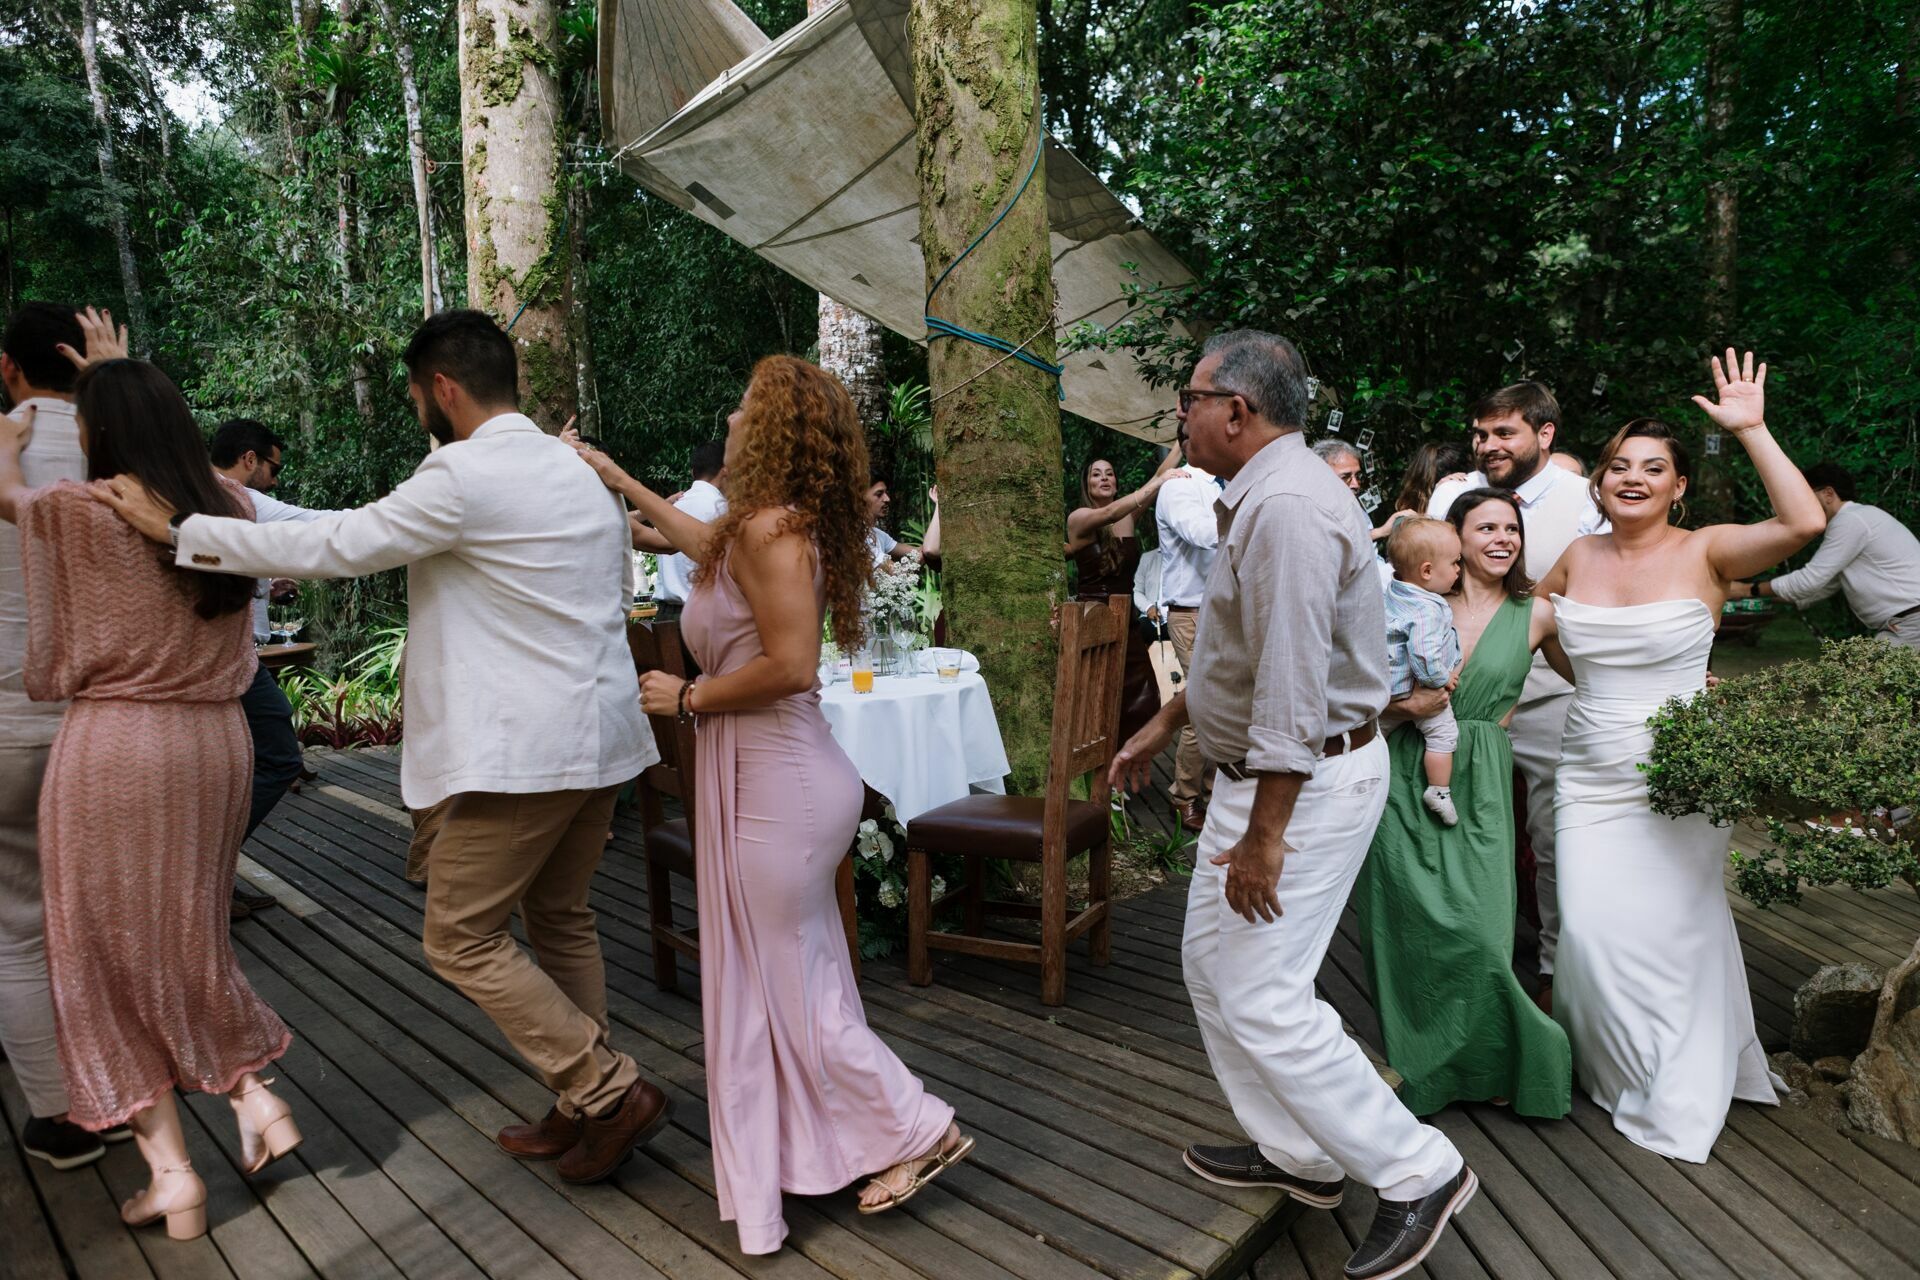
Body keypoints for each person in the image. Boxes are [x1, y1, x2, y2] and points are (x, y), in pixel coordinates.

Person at [101, 309, 667, 1184]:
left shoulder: (465, 475)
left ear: (441, 387)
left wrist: (181, 531)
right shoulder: (576, 472)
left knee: (460, 937)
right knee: (560, 921)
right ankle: (580, 1102)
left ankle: (606, 1088)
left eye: (412, 395)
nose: (415, 410)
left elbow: (338, 545)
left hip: (523, 754)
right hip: (604, 741)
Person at [566, 357, 970, 1254]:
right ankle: (820, 1150)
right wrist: (616, 478)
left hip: (777, 784)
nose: (734, 416)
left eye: (746, 405)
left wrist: (690, 697)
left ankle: (918, 1125)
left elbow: (789, 665)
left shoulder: (774, 533)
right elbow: (687, 540)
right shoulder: (754, 527)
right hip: (767, 779)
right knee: (789, 979)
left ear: (777, 425)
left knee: (791, 988)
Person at [1111, 330, 1473, 1280]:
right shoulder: (1265, 495)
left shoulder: (1291, 510)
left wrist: (1265, 833)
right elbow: (1240, 651)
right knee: (1207, 967)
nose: (1179, 417)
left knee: (1266, 996)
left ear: (1236, 409)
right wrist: (1163, 726)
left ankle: (1418, 1170)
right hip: (1257, 781)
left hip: (1301, 787)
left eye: (1188, 399)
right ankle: (1301, 1155)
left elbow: (1294, 683)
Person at [3, 352, 301, 1240]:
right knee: (183, 939)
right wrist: (120, 377)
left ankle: (174, 1175)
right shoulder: (226, 508)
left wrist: (13, 436)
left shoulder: (74, 510)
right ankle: (252, 1096)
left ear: (97, 436)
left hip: (118, 747)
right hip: (214, 743)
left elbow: (13, 506)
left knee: (98, 959)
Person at [1537, 350, 1822, 1161]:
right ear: (1599, 482)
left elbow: (1805, 525)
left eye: (1653, 468)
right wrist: (1591, 684)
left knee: (1675, 928)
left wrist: (1755, 429)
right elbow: (1543, 630)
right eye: (1619, 466)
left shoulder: (1711, 552)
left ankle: (1681, 1078)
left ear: (1678, 486)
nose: (1633, 478)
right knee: (1588, 930)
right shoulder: (1576, 559)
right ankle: (1622, 1067)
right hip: (1590, 771)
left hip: (1682, 775)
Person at [1358, 489, 1573, 1119]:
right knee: (1407, 929)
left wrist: (1682, 679)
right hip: (1401, 768)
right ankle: (1421, 1070)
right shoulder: (1406, 603)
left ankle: (1500, 1058)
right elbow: (1348, 690)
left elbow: (1597, 676)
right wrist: (1404, 708)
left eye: (1512, 528)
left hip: (1480, 781)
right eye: (1487, 528)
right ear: (1453, 540)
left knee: (1483, 933)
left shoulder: (1537, 614)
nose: (1503, 539)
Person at [0, 302, 128, 1171]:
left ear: (9, 369)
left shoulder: (7, 449)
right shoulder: (116, 450)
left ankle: (60, 1112)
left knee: (16, 924)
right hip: (102, 724)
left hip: (7, 723)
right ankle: (119, 1095)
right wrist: (113, 381)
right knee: (93, 919)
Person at [1427, 381, 1605, 1006]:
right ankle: (1462, 957)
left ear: (1545, 435)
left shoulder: (1585, 500)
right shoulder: (1451, 493)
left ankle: (1556, 967)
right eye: (1480, 433)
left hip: (1549, 692)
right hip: (1455, 706)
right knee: (1457, 830)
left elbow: (1610, 577)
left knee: (1554, 836)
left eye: (1505, 433)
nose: (1487, 445)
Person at [208, 418, 325, 918]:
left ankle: (211, 878)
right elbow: (321, 523)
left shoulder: (191, 490)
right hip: (230, 658)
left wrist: (261, 586)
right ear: (251, 459)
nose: (275, 480)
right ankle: (208, 874)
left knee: (242, 765)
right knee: (279, 755)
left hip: (232, 652)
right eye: (273, 467)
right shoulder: (236, 495)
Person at [1732, 462, 1920, 649]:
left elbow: (1809, 581)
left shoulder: (1850, 520)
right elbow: (1817, 589)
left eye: (1805, 497)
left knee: (1868, 676)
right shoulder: (1861, 518)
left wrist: (1746, 590)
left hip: (1911, 622)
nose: (1800, 505)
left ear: (1828, 494)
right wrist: (1752, 597)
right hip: (1907, 621)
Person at [1066, 452, 1184, 743]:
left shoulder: (1129, 516)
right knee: (1098, 702)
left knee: (1141, 700)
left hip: (1127, 623)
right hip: (1094, 621)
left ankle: (1129, 764)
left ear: (1117, 483)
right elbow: (1108, 514)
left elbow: (1159, 474)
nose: (1104, 477)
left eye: (1109, 473)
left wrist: (1180, 441)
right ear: (1087, 484)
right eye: (1096, 473)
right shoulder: (1079, 518)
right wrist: (1156, 485)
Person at [1381, 518, 1464, 825]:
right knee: (1443, 734)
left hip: (1387, 689)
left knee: (1376, 736)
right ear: (1427, 571)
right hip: (1418, 689)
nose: (1459, 569)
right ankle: (1439, 791)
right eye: (1455, 563)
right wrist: (1443, 678)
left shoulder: (1395, 593)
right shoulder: (1427, 609)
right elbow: (1424, 654)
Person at [1154, 455, 1221, 833]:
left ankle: (1213, 792)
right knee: (1202, 705)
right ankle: (1183, 793)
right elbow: (1202, 533)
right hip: (1192, 613)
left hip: (1224, 612)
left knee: (1228, 703)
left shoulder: (1225, 485)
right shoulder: (1180, 485)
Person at [635, 438, 727, 614]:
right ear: (726, 472)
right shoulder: (722, 509)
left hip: (666, 614)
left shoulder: (674, 506)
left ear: (693, 472)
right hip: (705, 615)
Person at [865, 478, 918, 563]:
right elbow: (894, 572)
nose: (887, 499)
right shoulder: (857, 536)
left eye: (886, 493)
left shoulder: (878, 534)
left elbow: (918, 552)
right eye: (879, 494)